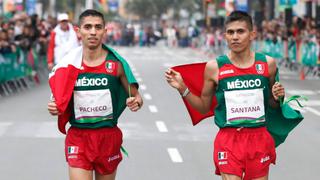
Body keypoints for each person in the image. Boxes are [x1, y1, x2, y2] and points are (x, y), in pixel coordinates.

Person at [165, 11, 285, 180]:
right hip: (228, 140)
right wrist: (183, 88)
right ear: (225, 36)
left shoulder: (267, 64)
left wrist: (278, 96)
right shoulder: (215, 67)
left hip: (258, 138)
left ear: (252, 35)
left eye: (240, 31)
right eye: (230, 32)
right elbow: (204, 107)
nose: (235, 37)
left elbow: (273, 104)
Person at [47, 9, 143, 180]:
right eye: (88, 27)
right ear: (78, 31)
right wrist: (54, 107)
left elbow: (136, 96)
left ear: (105, 31)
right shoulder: (68, 65)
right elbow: (57, 99)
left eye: (98, 27)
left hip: (107, 137)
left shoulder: (116, 64)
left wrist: (136, 102)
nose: (93, 32)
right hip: (78, 137)